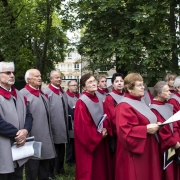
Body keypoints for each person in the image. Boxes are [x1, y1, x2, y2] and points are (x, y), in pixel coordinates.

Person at [115, 73, 161, 180]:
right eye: (139, 85)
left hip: (148, 147)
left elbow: (146, 119)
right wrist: (145, 129)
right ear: (129, 89)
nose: (143, 87)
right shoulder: (124, 106)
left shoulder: (140, 101)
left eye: (143, 84)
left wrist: (158, 125)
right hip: (135, 153)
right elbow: (125, 132)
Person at [74, 73, 112, 180]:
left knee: (101, 168)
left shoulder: (99, 99)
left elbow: (105, 115)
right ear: (84, 87)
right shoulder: (81, 102)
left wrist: (105, 128)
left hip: (101, 139)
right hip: (89, 143)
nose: (94, 83)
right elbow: (82, 126)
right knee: (89, 170)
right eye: (90, 82)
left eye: (94, 80)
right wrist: (98, 136)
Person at [20, 69, 55, 180]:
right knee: (32, 169)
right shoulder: (23, 94)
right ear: (29, 79)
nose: (40, 78)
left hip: (45, 137)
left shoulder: (42, 94)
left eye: (40, 75)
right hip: (32, 137)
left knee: (44, 169)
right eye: (36, 76)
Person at [0, 62, 33, 180]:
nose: (12, 75)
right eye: (7, 73)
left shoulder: (18, 94)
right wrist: (17, 134)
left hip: (18, 147)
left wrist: (25, 131)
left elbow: (29, 115)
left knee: (17, 175)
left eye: (13, 72)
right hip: (3, 146)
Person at [150, 81, 180, 180]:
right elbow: (162, 131)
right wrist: (173, 142)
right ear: (159, 94)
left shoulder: (167, 105)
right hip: (164, 146)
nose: (170, 93)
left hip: (174, 143)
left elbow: (174, 124)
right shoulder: (153, 109)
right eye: (167, 91)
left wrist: (177, 140)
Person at [43, 70, 69, 178]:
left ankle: (60, 168)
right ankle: (50, 171)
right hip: (52, 125)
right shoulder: (47, 92)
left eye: (60, 77)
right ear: (51, 79)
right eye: (56, 77)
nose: (59, 79)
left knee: (61, 148)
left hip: (63, 125)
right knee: (52, 149)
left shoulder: (62, 92)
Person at [103, 73, 124, 180]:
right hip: (117, 132)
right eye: (117, 81)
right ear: (112, 84)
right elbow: (112, 116)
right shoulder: (110, 98)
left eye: (121, 81)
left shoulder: (126, 95)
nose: (119, 83)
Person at [65, 80, 80, 167]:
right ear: (68, 86)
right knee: (70, 141)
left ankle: (76, 158)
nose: (75, 87)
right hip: (71, 121)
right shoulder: (66, 96)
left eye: (76, 85)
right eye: (73, 85)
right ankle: (69, 160)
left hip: (79, 122)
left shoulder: (79, 96)